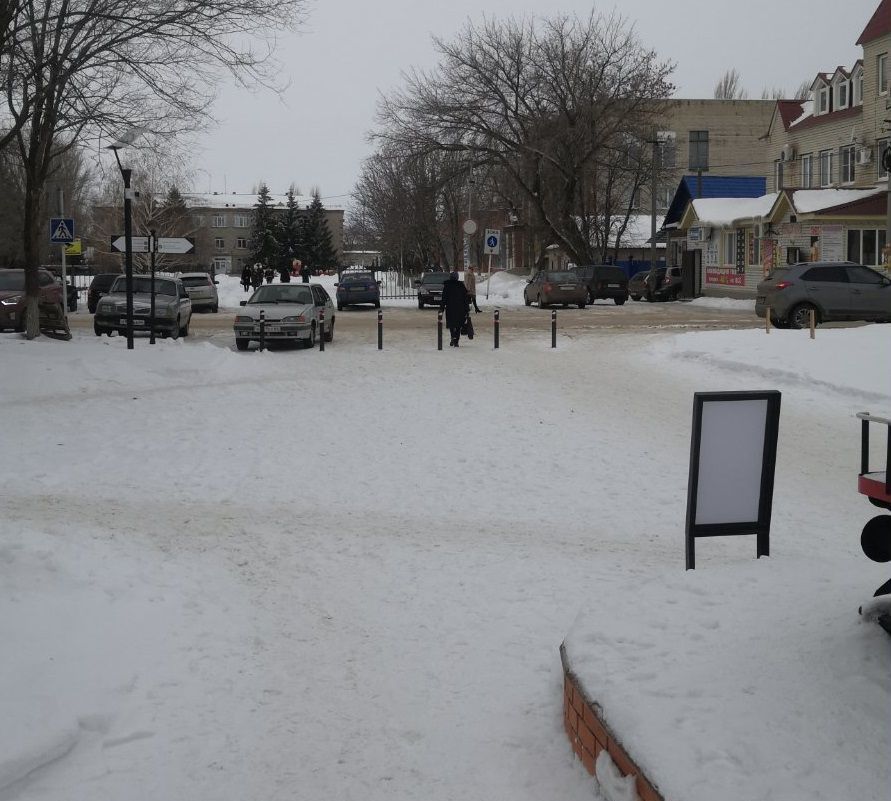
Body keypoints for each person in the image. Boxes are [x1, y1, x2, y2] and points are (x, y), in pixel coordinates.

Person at [440, 270, 469, 347]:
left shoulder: (447, 286)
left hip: (450, 308)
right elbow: (465, 299)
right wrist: (467, 309)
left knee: (451, 324)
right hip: (460, 309)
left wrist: (441, 309)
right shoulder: (461, 286)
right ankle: (456, 341)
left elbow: (444, 298)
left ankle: (453, 337)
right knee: (459, 325)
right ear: (457, 278)